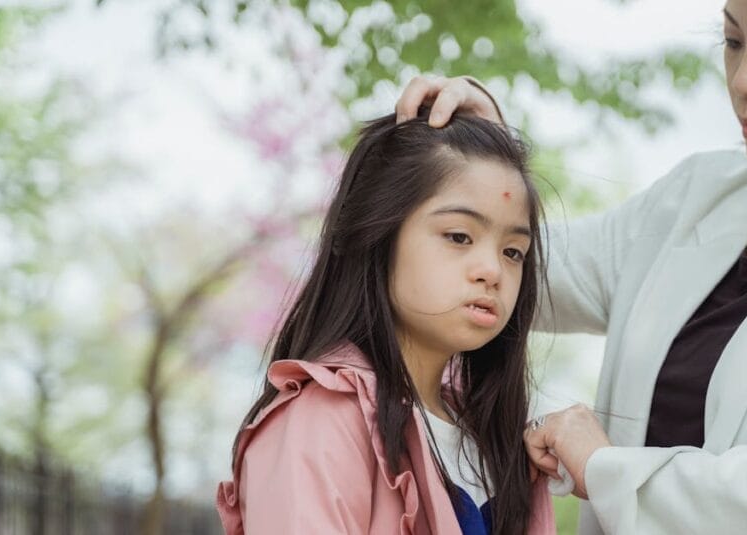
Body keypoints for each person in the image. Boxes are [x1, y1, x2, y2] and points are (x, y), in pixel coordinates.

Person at [396, 0, 747, 533]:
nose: (744, 81)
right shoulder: (696, 198)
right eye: (732, 41)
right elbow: (511, 274)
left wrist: (610, 470)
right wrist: (479, 160)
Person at [216, 110, 556, 534]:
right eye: (459, 236)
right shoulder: (320, 420)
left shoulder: (500, 442)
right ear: (378, 236)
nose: (492, 270)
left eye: (513, 251)